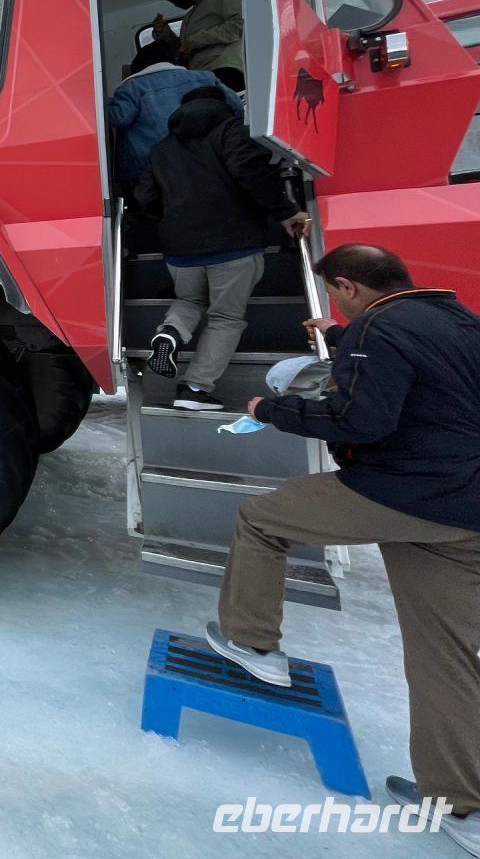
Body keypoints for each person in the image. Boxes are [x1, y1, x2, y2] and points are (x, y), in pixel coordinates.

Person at [205, 244, 480, 852]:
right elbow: (415, 373)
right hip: (468, 512)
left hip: (403, 491)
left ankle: (254, 643)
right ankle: (462, 807)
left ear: (349, 286)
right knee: (447, 656)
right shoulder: (458, 319)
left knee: (260, 520)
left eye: (336, 295)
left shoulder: (377, 331)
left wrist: (271, 408)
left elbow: (362, 421)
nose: (335, 305)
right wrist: (344, 336)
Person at [135, 86, 309, 409]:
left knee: (189, 298)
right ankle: (196, 390)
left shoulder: (162, 148)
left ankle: (170, 333)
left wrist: (173, 221)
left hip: (179, 251)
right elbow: (249, 171)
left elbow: (145, 196)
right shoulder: (231, 130)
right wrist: (285, 211)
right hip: (234, 245)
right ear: (222, 104)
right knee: (226, 317)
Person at [107, 39, 243, 191]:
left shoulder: (132, 87)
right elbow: (237, 108)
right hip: (210, 159)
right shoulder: (205, 77)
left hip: (153, 168)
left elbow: (119, 118)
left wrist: (105, 103)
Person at [152, 0, 246, 93]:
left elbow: (241, 24)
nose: (175, 1)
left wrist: (196, 40)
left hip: (225, 69)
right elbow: (183, 48)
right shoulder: (192, 13)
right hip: (203, 72)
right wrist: (163, 31)